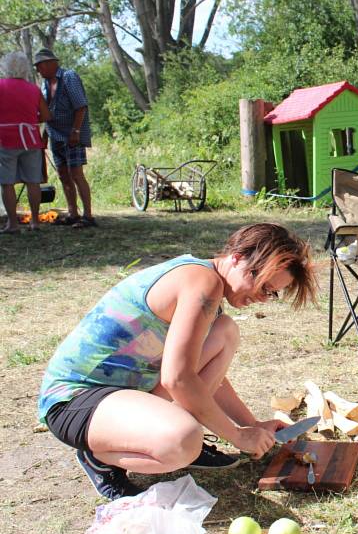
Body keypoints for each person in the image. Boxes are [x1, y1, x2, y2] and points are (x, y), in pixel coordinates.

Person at [37, 223, 317, 500]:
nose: (262, 297)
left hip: (124, 395)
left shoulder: (211, 289)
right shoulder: (202, 284)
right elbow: (178, 379)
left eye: (272, 292)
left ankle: (150, 433)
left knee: (225, 331)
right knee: (183, 441)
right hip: (75, 401)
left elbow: (202, 373)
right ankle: (99, 458)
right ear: (237, 257)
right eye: (262, 284)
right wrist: (236, 436)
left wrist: (252, 425)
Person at [32, 48, 95, 228]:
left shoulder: (68, 77)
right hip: (55, 135)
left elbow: (81, 106)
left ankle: (88, 215)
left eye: (39, 66)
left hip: (71, 134)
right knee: (63, 175)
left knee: (76, 174)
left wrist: (76, 131)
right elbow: (48, 113)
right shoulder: (45, 84)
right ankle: (72, 213)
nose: (38, 70)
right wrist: (44, 135)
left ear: (50, 63)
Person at [0, 51, 51, 233]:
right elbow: (46, 116)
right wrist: (29, 117)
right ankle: (35, 221)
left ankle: (13, 223)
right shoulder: (34, 89)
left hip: (5, 139)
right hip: (30, 138)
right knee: (33, 182)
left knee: (7, 183)